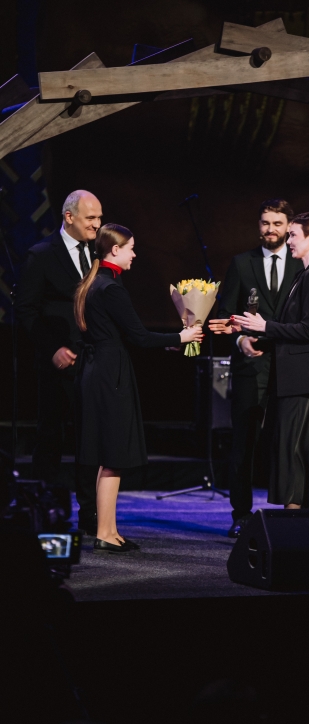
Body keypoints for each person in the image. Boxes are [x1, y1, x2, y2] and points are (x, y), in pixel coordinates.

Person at [74, 223, 203, 555]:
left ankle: (108, 530)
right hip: (111, 376)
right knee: (113, 455)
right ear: (115, 250)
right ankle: (105, 532)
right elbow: (139, 337)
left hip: (99, 372)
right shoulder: (111, 288)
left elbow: (125, 334)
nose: (134, 255)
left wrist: (169, 342)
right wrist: (182, 336)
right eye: (131, 248)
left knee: (108, 456)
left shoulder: (95, 283)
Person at [231, 212, 309, 509]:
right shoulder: (306, 273)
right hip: (295, 375)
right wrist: (256, 334)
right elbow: (294, 327)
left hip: (301, 376)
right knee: (297, 445)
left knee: (290, 444)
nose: (288, 240)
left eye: (293, 235)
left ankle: (293, 512)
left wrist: (264, 326)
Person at [213, 199, 302, 536]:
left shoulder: (301, 263)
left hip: (290, 365)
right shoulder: (242, 263)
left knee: (289, 441)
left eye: (277, 223)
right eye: (265, 223)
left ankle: (292, 512)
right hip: (250, 367)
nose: (270, 229)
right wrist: (239, 340)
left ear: (288, 226)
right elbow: (224, 316)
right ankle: (240, 515)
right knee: (244, 442)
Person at [16, 190, 103, 535]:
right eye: (90, 218)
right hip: (58, 364)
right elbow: (26, 309)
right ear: (69, 217)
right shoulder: (41, 255)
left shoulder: (98, 253)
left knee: (91, 440)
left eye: (99, 218)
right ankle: (42, 511)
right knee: (51, 436)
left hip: (94, 361)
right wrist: (53, 348)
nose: (97, 224)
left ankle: (90, 514)